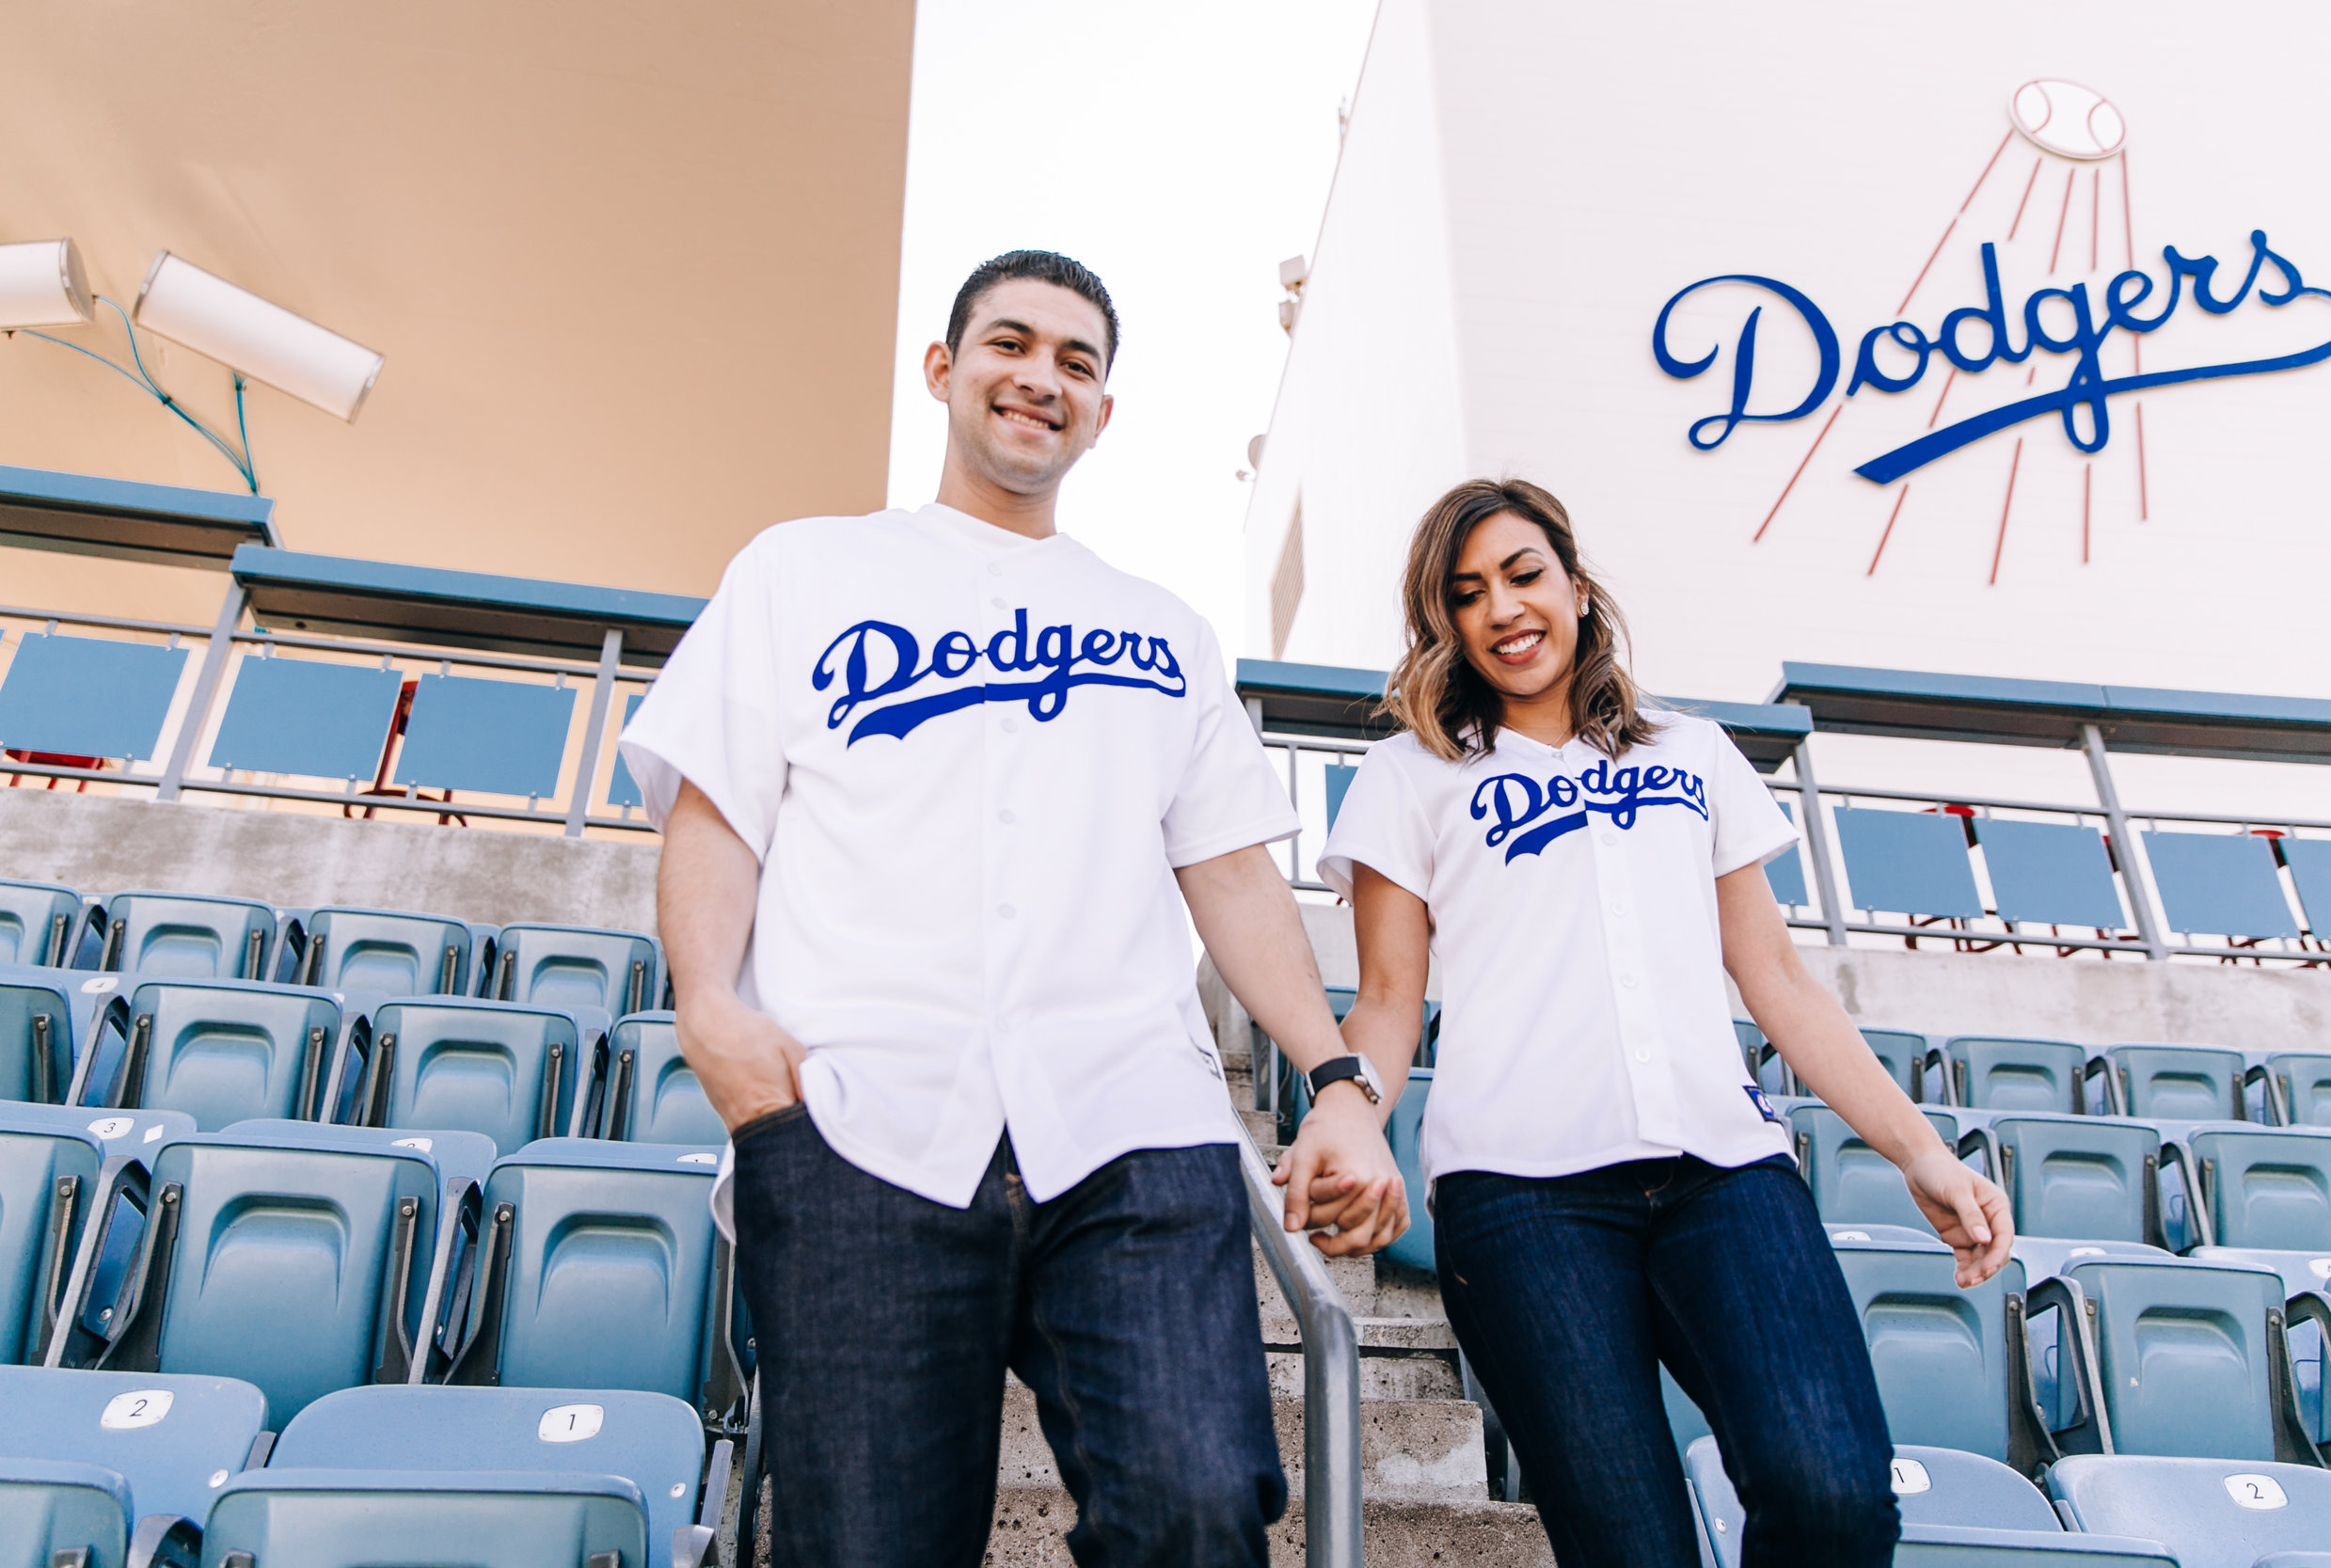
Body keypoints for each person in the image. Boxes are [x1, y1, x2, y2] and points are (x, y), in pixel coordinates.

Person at [618, 250, 1409, 1568]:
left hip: (1131, 1120)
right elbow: (716, 811)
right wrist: (712, 1015)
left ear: (1103, 412)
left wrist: (1334, 1076)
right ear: (944, 368)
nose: (1041, 376)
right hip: (859, 1104)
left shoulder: (1163, 627)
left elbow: (1231, 871)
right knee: (865, 1544)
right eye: (1010, 343)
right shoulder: (802, 569)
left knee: (1200, 1505)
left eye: (1077, 363)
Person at [1317, 477, 2014, 1568]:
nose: (1501, 606)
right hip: (1520, 1203)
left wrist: (1919, 1150)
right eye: (1466, 593)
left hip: (1723, 1174)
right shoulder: (1411, 777)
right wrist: (1351, 1110)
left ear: (1577, 588)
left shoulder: (1690, 750)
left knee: (1833, 1493)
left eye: (1522, 573)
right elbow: (1389, 998)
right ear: (1442, 624)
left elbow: (1776, 976)